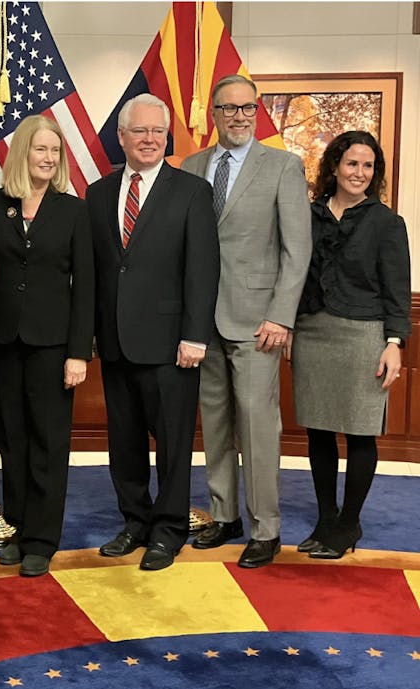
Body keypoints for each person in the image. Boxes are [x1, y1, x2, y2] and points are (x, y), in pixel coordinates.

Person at [181, 74, 312, 568]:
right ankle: (225, 515)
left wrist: (281, 316)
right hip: (202, 322)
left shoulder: (282, 166)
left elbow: (297, 250)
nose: (238, 117)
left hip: (259, 323)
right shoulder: (193, 167)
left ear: (258, 113)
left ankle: (266, 528)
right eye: (228, 109)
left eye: (247, 109)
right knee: (214, 426)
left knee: (258, 428)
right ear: (212, 114)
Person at [86, 94, 220, 571]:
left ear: (167, 137)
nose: (148, 139)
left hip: (171, 345)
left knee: (173, 445)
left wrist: (195, 336)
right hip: (116, 341)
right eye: (139, 131)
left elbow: (203, 270)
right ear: (121, 137)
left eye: (157, 132)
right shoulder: (98, 193)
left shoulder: (191, 191)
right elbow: (97, 272)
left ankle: (168, 530)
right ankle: (134, 523)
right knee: (122, 444)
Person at [0, 115, 94, 577]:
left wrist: (78, 352)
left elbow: (86, 285)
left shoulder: (73, 210)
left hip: (53, 345)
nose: (48, 159)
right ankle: (19, 526)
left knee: (49, 441)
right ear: (22, 153)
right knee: (13, 438)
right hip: (3, 341)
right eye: (40, 150)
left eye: (55, 151)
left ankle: (43, 540)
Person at [290, 131, 411, 559]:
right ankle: (326, 518)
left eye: (368, 166)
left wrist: (393, 343)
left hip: (364, 336)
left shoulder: (387, 223)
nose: (359, 172)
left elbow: (398, 291)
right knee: (318, 430)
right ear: (335, 167)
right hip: (312, 333)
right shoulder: (308, 215)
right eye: (352, 163)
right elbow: (292, 275)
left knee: (361, 432)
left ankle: (349, 523)